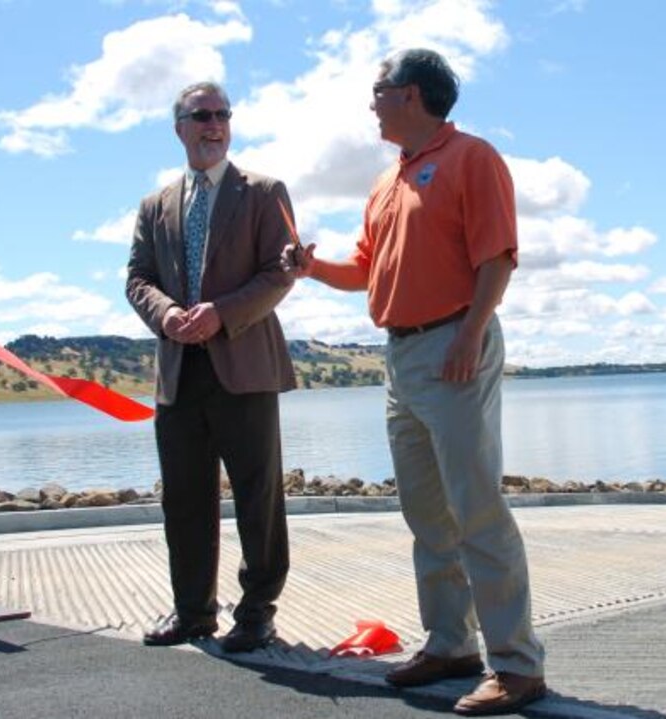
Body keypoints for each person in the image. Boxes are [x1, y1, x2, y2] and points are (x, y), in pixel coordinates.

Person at [284, 49, 546, 716]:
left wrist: (469, 332)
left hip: (456, 341)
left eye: (380, 91)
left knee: (477, 505)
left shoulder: (473, 157)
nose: (371, 103)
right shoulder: (385, 183)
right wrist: (311, 268)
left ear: (414, 94)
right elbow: (367, 273)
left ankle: (516, 664)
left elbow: (497, 256)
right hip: (401, 357)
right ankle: (450, 644)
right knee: (427, 512)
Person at [126, 81, 296, 654]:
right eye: (202, 115)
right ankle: (194, 613)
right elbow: (137, 278)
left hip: (245, 365)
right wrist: (169, 314)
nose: (214, 123)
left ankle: (256, 612)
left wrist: (221, 314)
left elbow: (280, 274)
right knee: (185, 499)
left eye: (223, 114)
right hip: (179, 373)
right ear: (180, 127)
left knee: (258, 497)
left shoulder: (265, 191)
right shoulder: (155, 205)